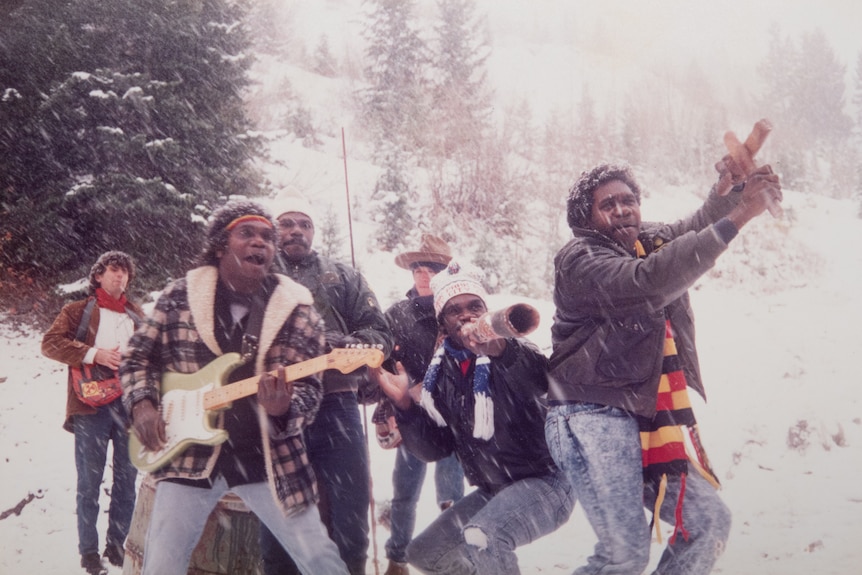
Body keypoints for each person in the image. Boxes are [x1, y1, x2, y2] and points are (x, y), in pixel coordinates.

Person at [545, 160, 783, 575]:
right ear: (586, 217)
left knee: (709, 523)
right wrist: (743, 212)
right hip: (590, 412)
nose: (622, 210)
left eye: (629, 200)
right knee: (625, 554)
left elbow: (696, 228)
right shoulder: (579, 259)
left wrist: (729, 189)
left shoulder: (645, 241)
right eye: (608, 204)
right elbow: (649, 281)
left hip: (647, 414)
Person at [120, 201, 348, 575]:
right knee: (161, 563)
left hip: (269, 458)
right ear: (220, 246)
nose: (260, 243)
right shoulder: (180, 295)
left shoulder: (298, 310)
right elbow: (136, 358)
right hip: (188, 454)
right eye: (247, 233)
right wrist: (142, 404)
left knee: (321, 560)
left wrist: (284, 409)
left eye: (267, 237)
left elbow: (309, 387)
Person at [372, 262, 575, 575]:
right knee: (425, 554)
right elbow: (435, 449)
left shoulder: (512, 350)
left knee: (485, 536)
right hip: (494, 490)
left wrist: (502, 351)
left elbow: (541, 380)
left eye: (474, 306)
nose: (466, 315)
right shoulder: (441, 373)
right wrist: (404, 406)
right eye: (454, 310)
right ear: (443, 323)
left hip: (546, 483)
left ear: (485, 310)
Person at [260, 187, 394, 575]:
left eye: (305, 224)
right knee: (279, 517)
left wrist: (343, 345)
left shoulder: (345, 276)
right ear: (273, 229)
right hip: (276, 407)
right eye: (287, 223)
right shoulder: (259, 276)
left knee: (350, 516)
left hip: (337, 404)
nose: (296, 231)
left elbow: (381, 336)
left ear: (314, 232)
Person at [41, 250, 142, 575]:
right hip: (89, 405)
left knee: (128, 481)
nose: (120, 276)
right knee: (89, 482)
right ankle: (88, 552)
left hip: (128, 406)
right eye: (113, 270)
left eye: (125, 271)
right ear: (98, 275)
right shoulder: (77, 311)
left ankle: (116, 547)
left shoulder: (137, 315)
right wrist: (94, 354)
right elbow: (50, 343)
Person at [375, 234, 465, 575]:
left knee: (452, 496)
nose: (424, 274)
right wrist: (402, 390)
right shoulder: (395, 314)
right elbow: (379, 359)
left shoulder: (458, 309)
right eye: (418, 268)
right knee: (404, 494)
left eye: (433, 268)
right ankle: (396, 558)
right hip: (411, 418)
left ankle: (453, 558)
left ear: (445, 271)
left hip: (454, 418)